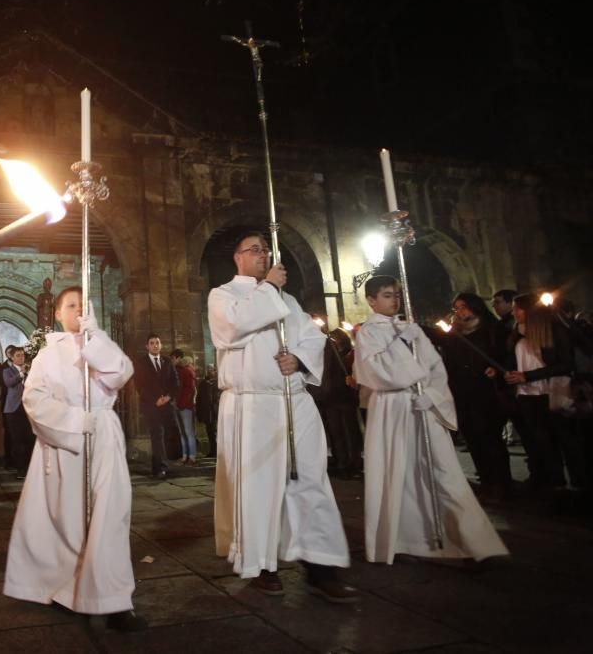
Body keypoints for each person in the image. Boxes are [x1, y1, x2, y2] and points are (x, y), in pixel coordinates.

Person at [208, 231, 354, 602]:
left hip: (293, 400)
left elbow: (313, 338)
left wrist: (300, 360)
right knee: (259, 485)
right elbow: (233, 329)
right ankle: (263, 563)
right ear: (237, 258)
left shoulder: (287, 299)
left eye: (266, 250)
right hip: (252, 405)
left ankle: (321, 566)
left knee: (310, 480)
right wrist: (269, 289)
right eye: (254, 250)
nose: (262, 255)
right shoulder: (223, 295)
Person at [3, 286, 147, 632]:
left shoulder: (100, 343)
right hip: (65, 444)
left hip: (103, 438)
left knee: (109, 515)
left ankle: (113, 602)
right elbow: (35, 400)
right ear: (57, 313)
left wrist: (94, 340)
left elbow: (121, 373)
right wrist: (74, 422)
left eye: (84, 305)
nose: (78, 310)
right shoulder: (47, 356)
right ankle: (67, 587)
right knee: (69, 520)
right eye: (71, 305)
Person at [354, 275, 508, 565]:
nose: (394, 300)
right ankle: (400, 540)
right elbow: (373, 371)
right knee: (398, 471)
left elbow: (436, 367)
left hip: (422, 405)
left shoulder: (409, 328)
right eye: (387, 295)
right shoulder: (368, 332)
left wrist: (433, 396)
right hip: (393, 407)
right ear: (372, 300)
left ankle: (473, 543)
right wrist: (400, 349)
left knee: (443, 470)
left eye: (397, 294)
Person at [438, 293, 513, 501]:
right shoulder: (454, 335)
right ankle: (487, 481)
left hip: (487, 393)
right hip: (463, 393)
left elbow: (506, 355)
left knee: (490, 439)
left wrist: (496, 369)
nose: (459, 311)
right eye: (456, 308)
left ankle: (502, 484)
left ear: (474, 307)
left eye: (463, 307)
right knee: (473, 440)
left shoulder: (493, 330)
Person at [503, 293, 581, 492]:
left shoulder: (553, 330)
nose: (513, 312)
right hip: (527, 397)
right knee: (544, 444)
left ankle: (579, 487)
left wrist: (528, 376)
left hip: (551, 394)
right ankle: (556, 486)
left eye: (516, 308)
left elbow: (565, 364)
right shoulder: (516, 334)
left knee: (566, 443)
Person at [309, 328, 364, 479]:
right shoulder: (328, 346)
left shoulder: (326, 346)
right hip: (334, 395)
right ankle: (348, 463)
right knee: (342, 431)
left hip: (334, 395)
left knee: (342, 431)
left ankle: (347, 463)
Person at [132, 334, 178, 478]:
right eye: (152, 343)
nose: (155, 345)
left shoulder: (167, 361)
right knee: (157, 435)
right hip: (151, 406)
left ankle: (160, 465)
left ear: (161, 345)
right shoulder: (141, 363)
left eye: (157, 343)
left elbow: (175, 382)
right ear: (147, 346)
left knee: (168, 434)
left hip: (167, 405)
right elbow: (140, 385)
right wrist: (155, 400)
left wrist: (168, 397)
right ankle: (160, 469)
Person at [3, 345, 34, 479]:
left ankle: (29, 468)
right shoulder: (7, 371)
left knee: (29, 438)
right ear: (12, 357)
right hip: (13, 409)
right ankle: (20, 469)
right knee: (17, 440)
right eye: (18, 355)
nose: (21, 358)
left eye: (23, 355)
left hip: (27, 408)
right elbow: (9, 383)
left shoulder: (30, 370)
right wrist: (21, 373)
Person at [172, 348, 198, 466]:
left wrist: (183, 403)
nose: (172, 361)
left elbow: (191, 390)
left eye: (173, 358)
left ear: (178, 358)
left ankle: (191, 457)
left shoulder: (187, 370)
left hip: (185, 406)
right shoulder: (179, 370)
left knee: (188, 432)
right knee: (183, 432)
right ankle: (185, 456)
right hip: (179, 405)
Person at [196, 364, 219, 458]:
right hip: (207, 412)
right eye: (209, 369)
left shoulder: (218, 383)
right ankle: (213, 451)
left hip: (215, 412)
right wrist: (199, 412)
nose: (210, 371)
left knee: (215, 432)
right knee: (210, 432)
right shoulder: (203, 383)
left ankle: (217, 451)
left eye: (212, 370)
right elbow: (199, 399)